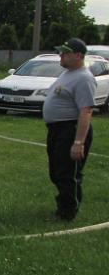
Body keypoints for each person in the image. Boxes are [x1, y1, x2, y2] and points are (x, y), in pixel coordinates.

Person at [42, 38, 96, 221]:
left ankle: (67, 212)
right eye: (60, 51)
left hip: (71, 129)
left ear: (79, 55)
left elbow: (86, 111)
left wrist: (78, 142)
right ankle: (64, 206)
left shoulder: (84, 78)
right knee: (56, 171)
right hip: (57, 130)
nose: (61, 55)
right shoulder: (68, 73)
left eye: (65, 52)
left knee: (67, 173)